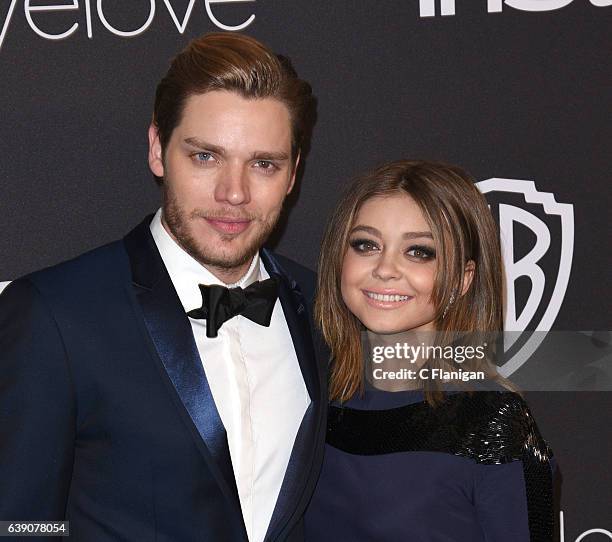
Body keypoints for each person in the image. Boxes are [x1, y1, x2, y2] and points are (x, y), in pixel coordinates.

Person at [0, 33, 327, 542]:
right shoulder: (56, 314)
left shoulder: (323, 305)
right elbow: (18, 524)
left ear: (292, 174)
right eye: (205, 157)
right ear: (158, 149)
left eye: (264, 164)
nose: (234, 193)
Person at [304, 160, 555, 541]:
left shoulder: (491, 419)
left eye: (419, 251)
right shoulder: (312, 396)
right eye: (366, 244)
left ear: (462, 279)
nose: (385, 269)